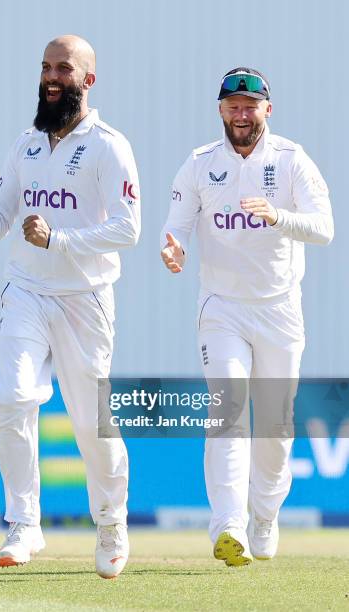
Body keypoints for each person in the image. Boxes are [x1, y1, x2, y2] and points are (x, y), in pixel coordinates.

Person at [0, 35, 140, 578]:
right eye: (45, 66)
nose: (51, 76)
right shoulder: (26, 145)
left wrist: (59, 240)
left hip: (85, 300)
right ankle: (24, 523)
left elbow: (129, 229)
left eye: (63, 68)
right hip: (26, 291)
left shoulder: (110, 145)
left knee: (91, 424)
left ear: (88, 80)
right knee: (9, 398)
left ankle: (111, 523)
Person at [161, 67, 333, 566]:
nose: (241, 113)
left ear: (267, 110)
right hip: (222, 308)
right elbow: (177, 228)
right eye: (233, 105)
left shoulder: (292, 159)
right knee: (227, 414)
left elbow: (324, 229)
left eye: (250, 106)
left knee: (275, 431)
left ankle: (263, 516)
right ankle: (228, 525)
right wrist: (174, 250)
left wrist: (278, 216)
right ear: (220, 110)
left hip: (280, 309)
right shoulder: (199, 164)